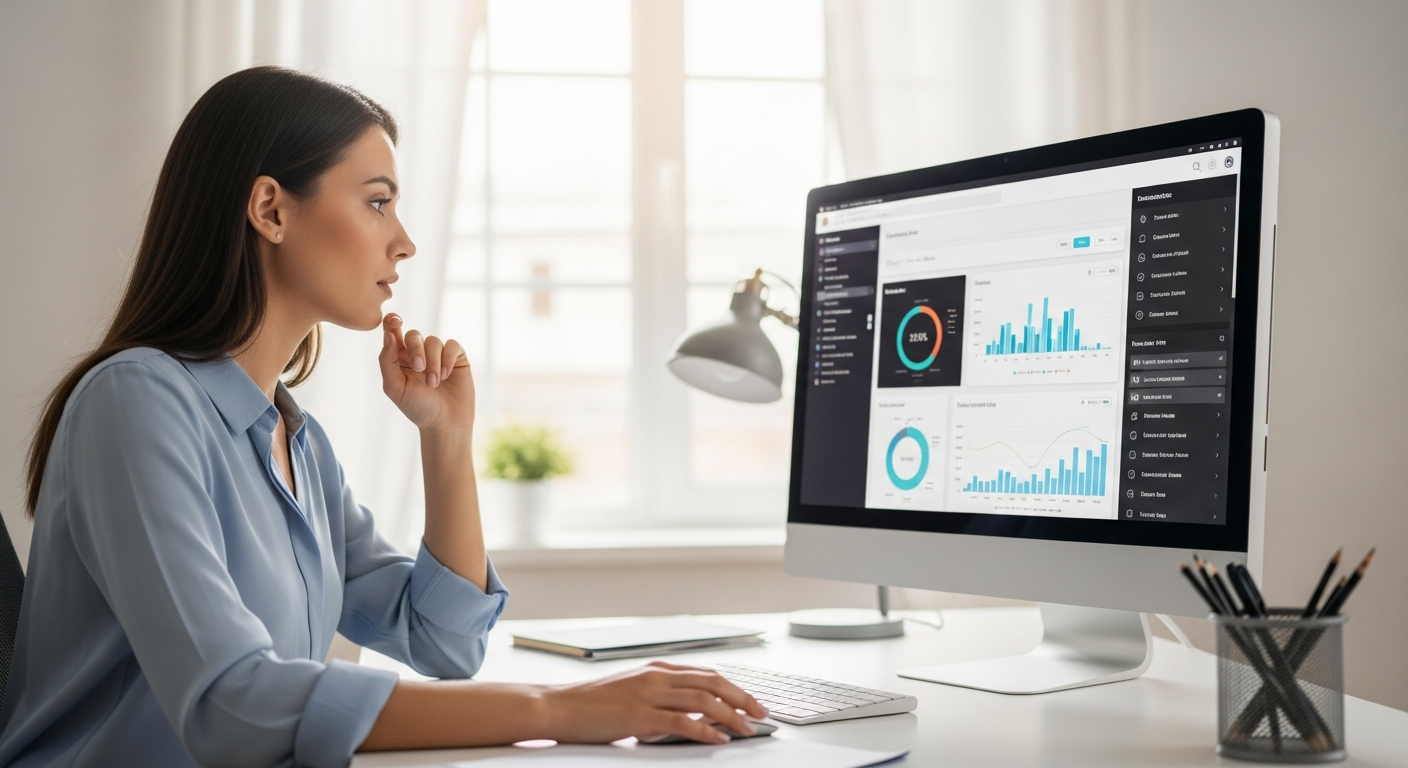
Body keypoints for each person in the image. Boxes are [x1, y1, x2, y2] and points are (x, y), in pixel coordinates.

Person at [0, 66, 764, 768]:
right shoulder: (136, 403)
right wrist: (561, 709)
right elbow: (231, 704)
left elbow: (444, 641)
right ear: (270, 209)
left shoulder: (298, 444)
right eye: (376, 201)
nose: (403, 241)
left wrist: (446, 439)